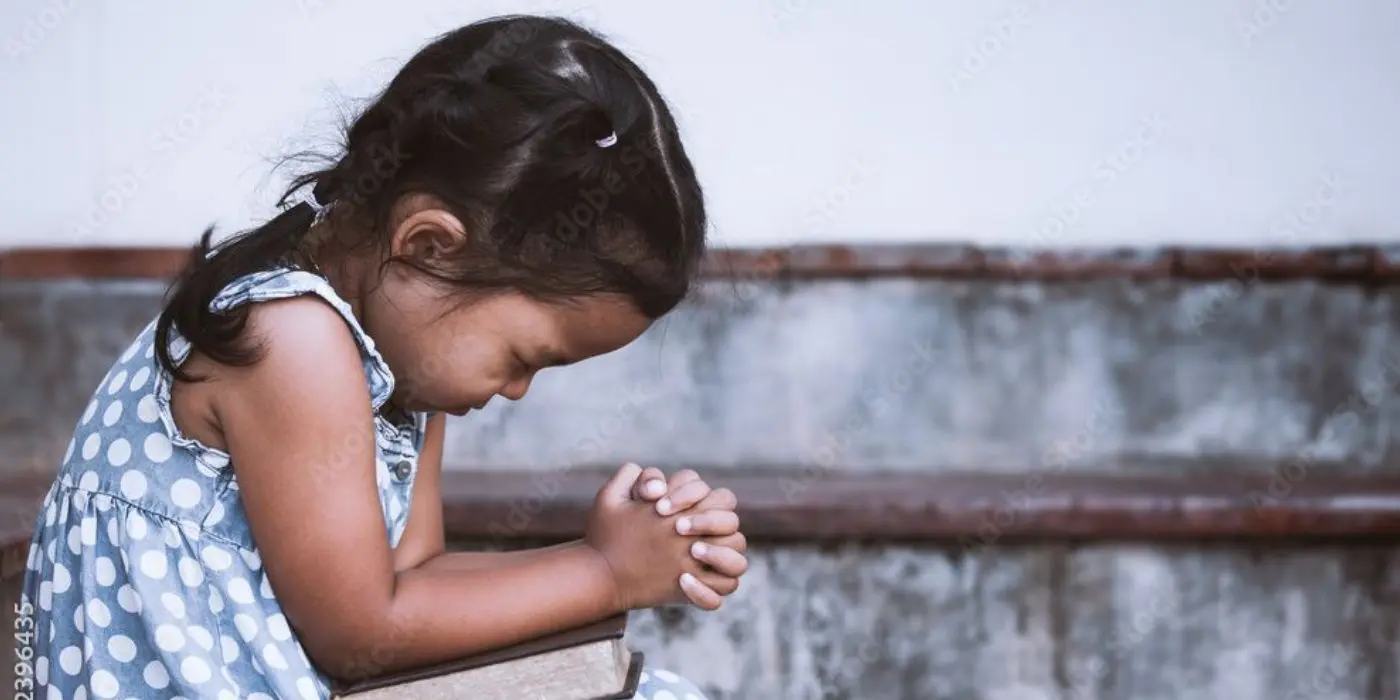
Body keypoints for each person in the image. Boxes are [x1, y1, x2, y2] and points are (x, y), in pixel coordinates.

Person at [19, 14, 747, 700]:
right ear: (430, 245)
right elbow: (361, 629)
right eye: (526, 356)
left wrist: (625, 554)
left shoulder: (398, 363)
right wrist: (604, 571)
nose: (518, 390)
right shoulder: (289, 341)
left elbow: (415, 581)